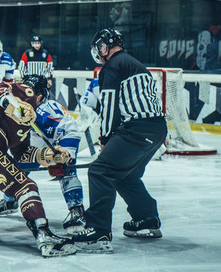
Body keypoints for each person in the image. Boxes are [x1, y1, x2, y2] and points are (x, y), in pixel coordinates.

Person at [0, 74, 77, 257]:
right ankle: (44, 235)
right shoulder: (24, 92)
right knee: (24, 186)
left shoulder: (28, 121)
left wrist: (47, 155)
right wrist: (17, 105)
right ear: (40, 96)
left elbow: (21, 153)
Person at [71, 28, 167, 253]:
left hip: (136, 129)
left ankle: (98, 230)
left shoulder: (112, 67)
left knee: (100, 171)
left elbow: (110, 106)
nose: (98, 52)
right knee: (125, 175)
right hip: (157, 129)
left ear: (104, 47)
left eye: (99, 47)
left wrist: (105, 138)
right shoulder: (134, 63)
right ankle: (147, 218)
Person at [0, 88, 86, 234]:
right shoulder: (31, 108)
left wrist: (64, 154)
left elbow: (69, 129)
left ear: (38, 97)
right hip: (38, 140)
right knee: (17, 171)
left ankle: (77, 210)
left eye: (28, 94)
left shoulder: (44, 112)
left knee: (67, 173)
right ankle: (9, 201)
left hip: (62, 139)